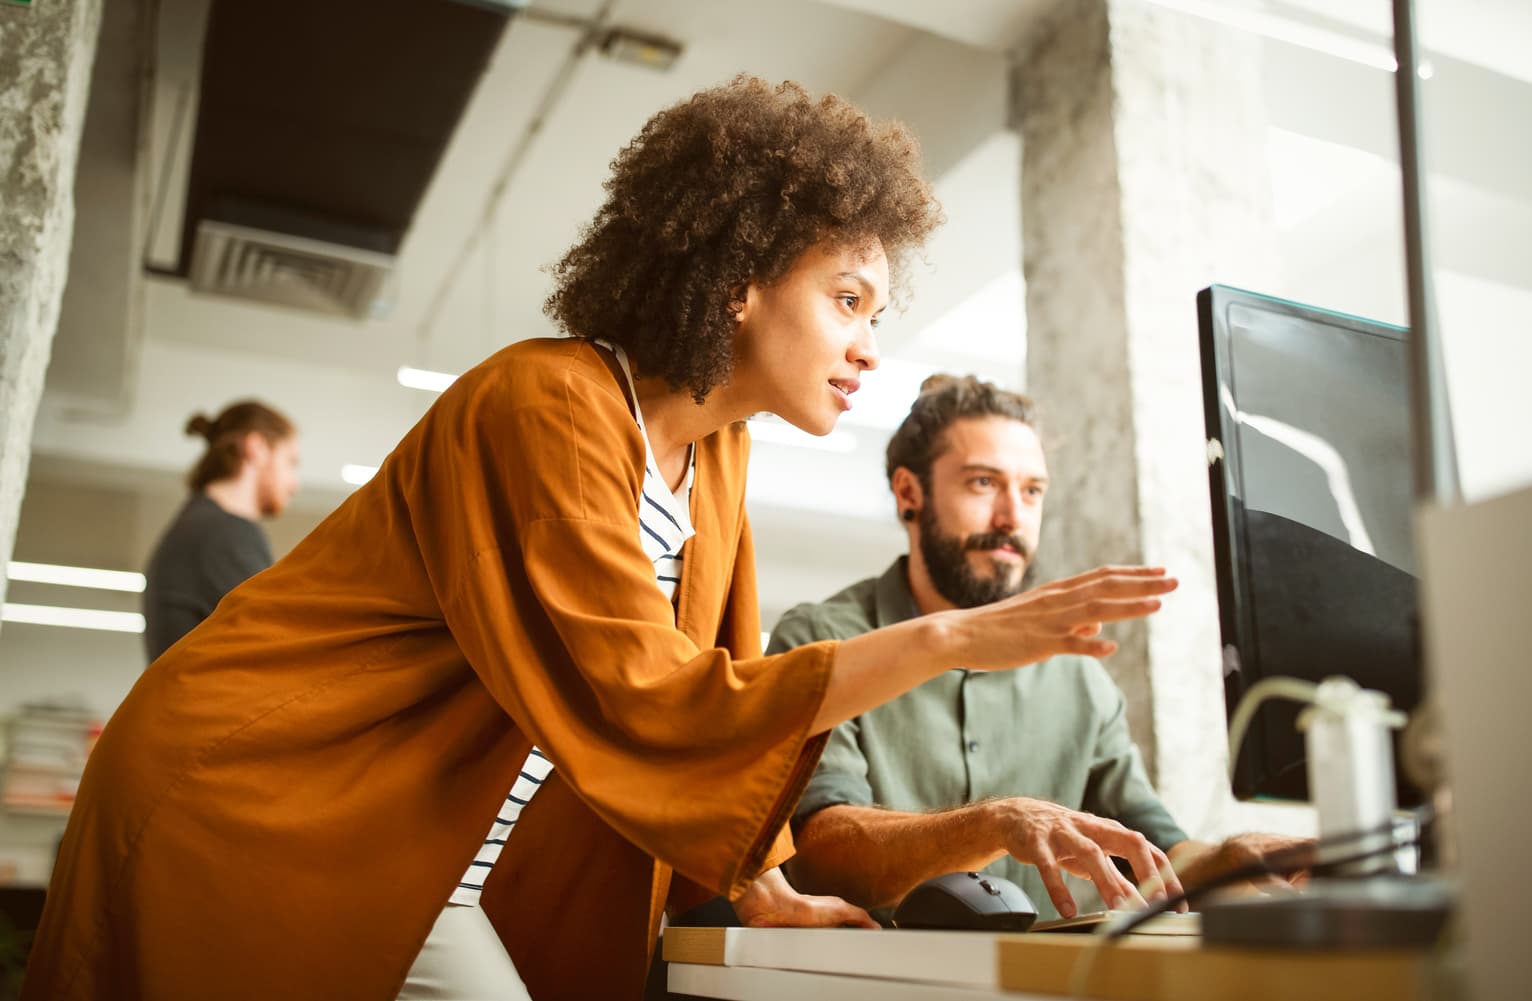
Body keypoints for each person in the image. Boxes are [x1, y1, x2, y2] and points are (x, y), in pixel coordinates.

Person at [22, 78, 1179, 1001]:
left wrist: (765, 889)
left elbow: (720, 711)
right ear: (738, 280)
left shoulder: (715, 455)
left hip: (420, 852)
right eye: (848, 299)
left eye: (877, 313)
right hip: (262, 798)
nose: (869, 345)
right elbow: (654, 696)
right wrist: (955, 635)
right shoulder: (548, 405)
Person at [772, 375, 1305, 922]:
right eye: (983, 484)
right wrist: (994, 823)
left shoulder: (1078, 672)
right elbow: (821, 855)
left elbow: (1155, 848)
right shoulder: (822, 641)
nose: (1012, 518)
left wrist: (1229, 861)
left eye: (1031, 491)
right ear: (910, 493)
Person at [141, 401, 301, 662]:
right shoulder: (224, 532)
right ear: (256, 448)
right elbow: (275, 647)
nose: (294, 485)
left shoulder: (201, 525)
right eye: (291, 462)